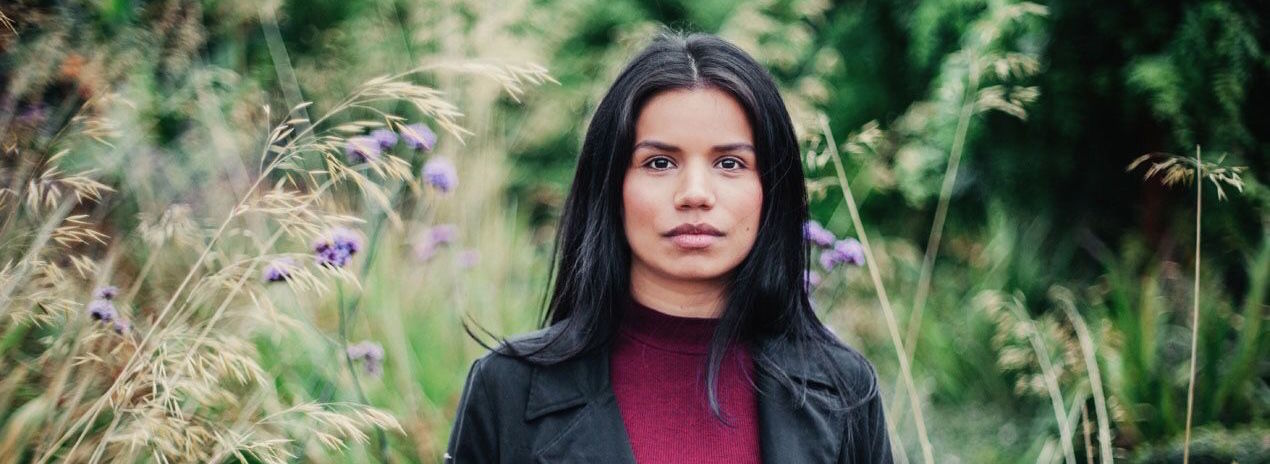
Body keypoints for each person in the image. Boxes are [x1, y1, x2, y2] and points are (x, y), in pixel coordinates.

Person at [444, 30, 894, 463]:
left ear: (771, 189)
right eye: (659, 163)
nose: (695, 193)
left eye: (730, 163)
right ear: (611, 184)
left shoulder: (844, 392)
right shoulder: (507, 389)